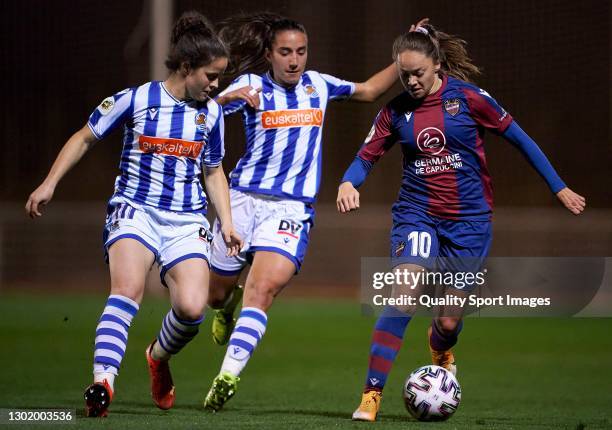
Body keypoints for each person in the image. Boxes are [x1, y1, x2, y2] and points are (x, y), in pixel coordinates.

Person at [336, 23, 586, 422]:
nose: (412, 81)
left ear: (437, 65)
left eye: (419, 72)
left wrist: (558, 187)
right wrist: (350, 180)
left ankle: (441, 349)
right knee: (405, 292)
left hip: (470, 223)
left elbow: (521, 139)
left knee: (449, 319)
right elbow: (366, 156)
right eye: (405, 75)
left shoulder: (469, 99)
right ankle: (371, 394)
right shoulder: (396, 111)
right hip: (417, 215)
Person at [201, 13, 426, 412]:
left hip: (290, 207)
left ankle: (227, 376)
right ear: (269, 54)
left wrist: (405, 50)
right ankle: (226, 306)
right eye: (285, 52)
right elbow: (200, 118)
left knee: (264, 289)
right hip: (240, 201)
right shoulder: (250, 86)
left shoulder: (318, 85)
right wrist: (223, 99)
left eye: (301, 51)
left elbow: (371, 90)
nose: (294, 60)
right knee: (215, 295)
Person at [25, 11, 242, 418]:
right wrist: (49, 182)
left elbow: (213, 170)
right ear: (185, 67)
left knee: (193, 309)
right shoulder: (136, 98)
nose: (216, 86)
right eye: (210, 76)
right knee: (126, 292)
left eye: (219, 78)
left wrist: (226, 222)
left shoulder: (210, 113)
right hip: (135, 211)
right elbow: (84, 138)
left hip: (186, 220)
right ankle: (102, 382)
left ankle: (158, 357)